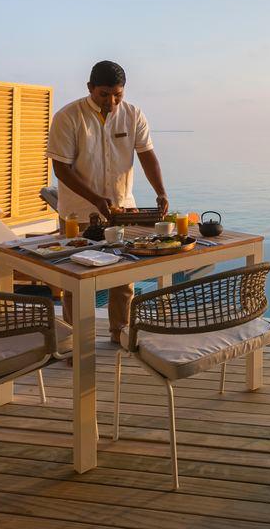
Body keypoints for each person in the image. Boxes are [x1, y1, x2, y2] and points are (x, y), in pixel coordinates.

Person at [46, 60, 168, 344]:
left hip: (121, 209)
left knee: (123, 278)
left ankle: (119, 335)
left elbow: (146, 155)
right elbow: (61, 168)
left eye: (117, 95)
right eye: (104, 94)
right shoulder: (68, 116)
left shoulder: (133, 114)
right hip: (78, 213)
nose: (111, 102)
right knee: (77, 279)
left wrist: (160, 191)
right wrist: (96, 200)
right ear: (90, 88)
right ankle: (76, 343)